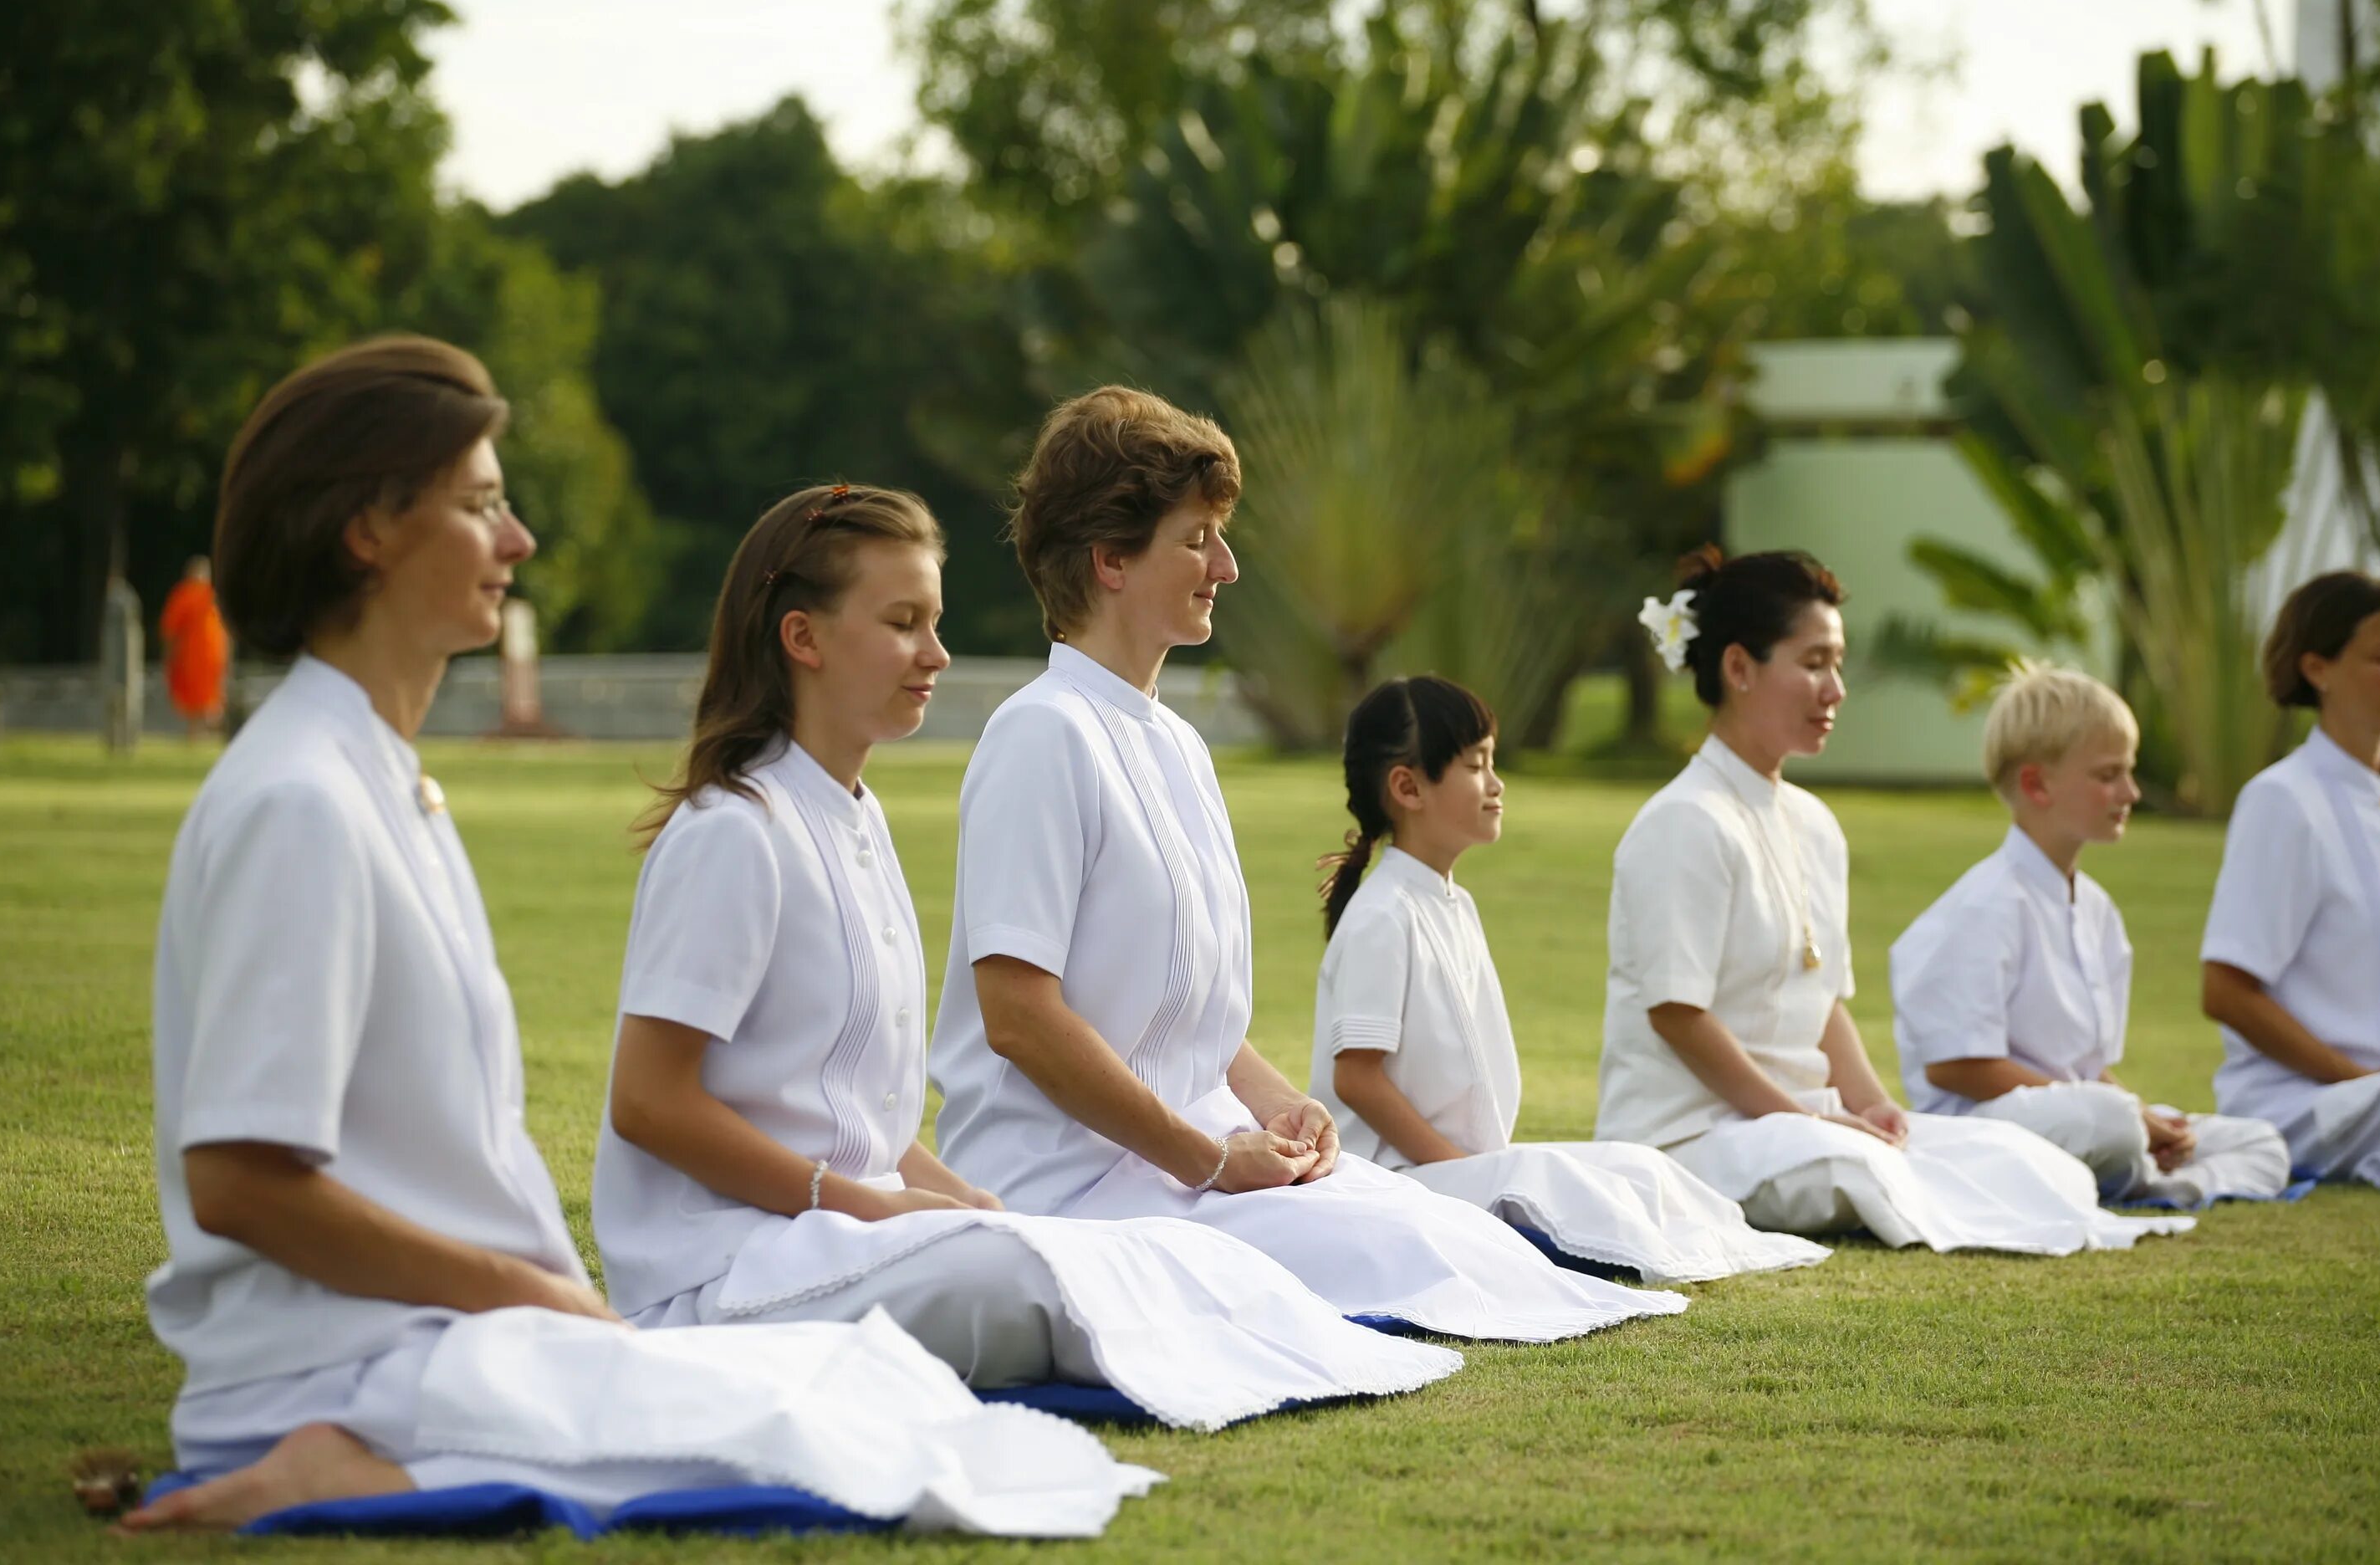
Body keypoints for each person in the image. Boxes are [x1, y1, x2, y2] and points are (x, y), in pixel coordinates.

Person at [126, 338, 1157, 1538]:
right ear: (368, 530)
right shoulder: (301, 799)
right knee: (842, 1435)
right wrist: (535, 1294)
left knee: (863, 1388)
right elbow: (242, 1183)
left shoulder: (376, 780)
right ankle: (330, 1462)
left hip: (463, 1341)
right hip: (357, 1366)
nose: (518, 541)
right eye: (482, 506)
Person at [590, 482, 1458, 1430]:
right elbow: (649, 1102)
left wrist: (952, 1191)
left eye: (935, 620)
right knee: (1038, 1270)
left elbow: (839, 1105)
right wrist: (872, 1208)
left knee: (1155, 1253)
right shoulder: (732, 831)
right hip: (723, 1267)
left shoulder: (852, 817)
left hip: (834, 1228)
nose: (937, 653)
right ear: (804, 638)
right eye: (903, 622)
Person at [927, 386, 1672, 1341]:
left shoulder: (1177, 747)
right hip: (1078, 1183)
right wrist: (1206, 1156)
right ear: (1110, 558)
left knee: (1447, 1233)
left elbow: (1179, 1007)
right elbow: (1020, 1015)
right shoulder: (1040, 734)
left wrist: (1283, 1105)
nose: (1226, 567)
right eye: (1198, 538)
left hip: (1195, 1161)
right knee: (1407, 1255)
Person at [1594, 546, 2188, 1254]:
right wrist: (1808, 1122)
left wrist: (1873, 1104)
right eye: (1814, 663)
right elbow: (1677, 1015)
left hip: (1800, 1121)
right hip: (1693, 1140)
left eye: (1837, 664)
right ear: (1738, 668)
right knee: (1865, 1168)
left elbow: (1827, 1006)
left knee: (2020, 1159)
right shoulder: (1684, 821)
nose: (1836, 690)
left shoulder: (1813, 824)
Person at [1308, 674, 1830, 1283]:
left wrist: (1478, 1170)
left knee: (1636, 1167)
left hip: (1462, 1168)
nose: (1497, 785)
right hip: (1403, 1178)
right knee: (1563, 1182)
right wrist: (1461, 1176)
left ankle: (1710, 1249)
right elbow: (1357, 1078)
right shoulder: (1383, 915)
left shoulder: (1447, 903)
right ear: (1408, 787)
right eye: (1477, 766)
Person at [1890, 664, 2290, 1207]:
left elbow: (2087, 1067)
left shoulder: (2096, 910)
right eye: (2108, 776)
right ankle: (2132, 1171)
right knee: (2112, 1122)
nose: (2129, 791)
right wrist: (2121, 1115)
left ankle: (2158, 1179)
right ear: (2037, 784)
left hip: (2085, 1120)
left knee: (2259, 1140)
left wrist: (2145, 1117)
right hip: (1984, 1129)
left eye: (2128, 771)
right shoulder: (1984, 905)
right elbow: (1956, 1065)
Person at [2200, 570, 2380, 1193]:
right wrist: (2360, 1081)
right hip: (2302, 1102)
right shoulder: (2281, 801)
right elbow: (2224, 991)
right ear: (2318, 668)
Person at [158, 556, 229, 736]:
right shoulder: (186, 596)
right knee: (198, 699)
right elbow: (171, 630)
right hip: (194, 656)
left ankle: (200, 733)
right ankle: (199, 733)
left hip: (208, 656)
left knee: (206, 699)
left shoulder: (211, 596)